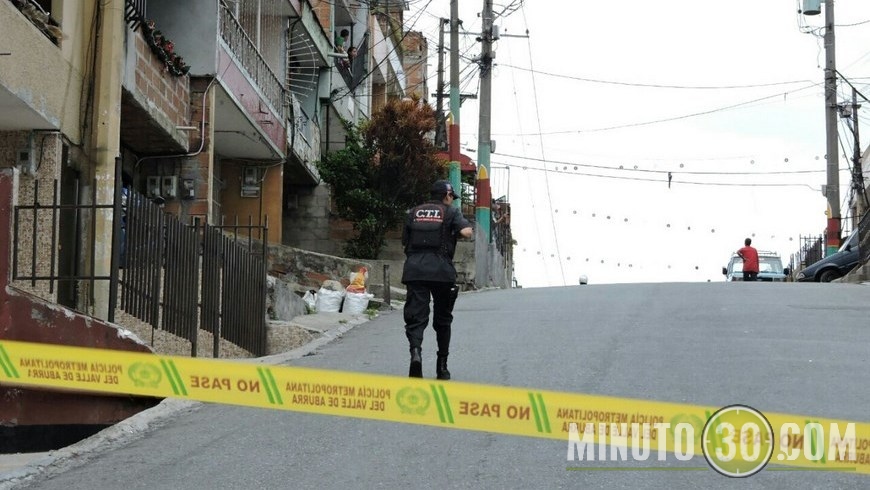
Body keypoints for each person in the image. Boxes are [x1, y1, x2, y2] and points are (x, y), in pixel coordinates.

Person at [402, 180, 473, 379]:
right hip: (441, 272)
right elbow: (467, 232)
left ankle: (416, 353)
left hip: (415, 270)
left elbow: (405, 241)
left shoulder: (412, 212)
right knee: (442, 319)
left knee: (416, 318)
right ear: (447, 195)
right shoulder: (451, 212)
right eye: (452, 197)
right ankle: (442, 367)